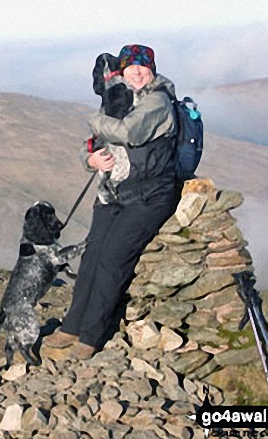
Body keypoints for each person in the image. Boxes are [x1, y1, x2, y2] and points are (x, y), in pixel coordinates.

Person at [43, 44, 180, 359]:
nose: (137, 72)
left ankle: (90, 337)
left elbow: (125, 132)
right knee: (91, 257)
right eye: (131, 67)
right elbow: (91, 145)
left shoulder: (157, 102)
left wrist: (94, 117)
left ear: (152, 69)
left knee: (112, 260)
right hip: (114, 192)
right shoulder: (122, 97)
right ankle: (71, 327)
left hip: (150, 196)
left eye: (142, 67)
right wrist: (90, 160)